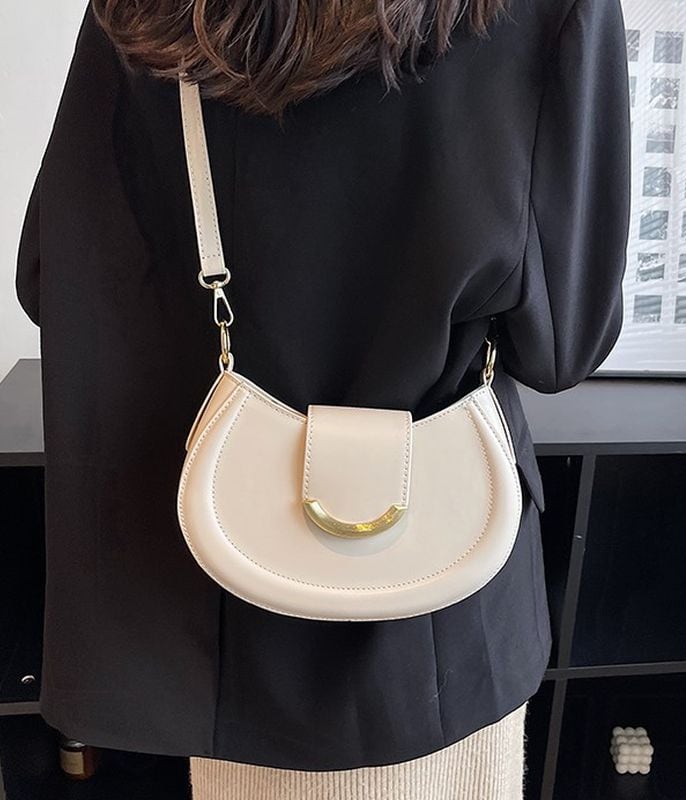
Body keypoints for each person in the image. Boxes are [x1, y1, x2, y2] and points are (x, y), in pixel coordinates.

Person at [14, 0, 630, 796]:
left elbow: (51, 276)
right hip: (440, 611)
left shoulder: (147, 11)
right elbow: (562, 345)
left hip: (230, 582)